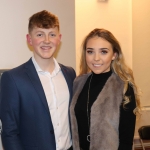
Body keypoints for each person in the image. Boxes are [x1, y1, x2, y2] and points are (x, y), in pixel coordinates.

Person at [0, 10, 75, 150]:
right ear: (29, 39)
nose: (47, 40)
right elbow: (9, 133)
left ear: (59, 38)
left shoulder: (69, 73)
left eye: (52, 34)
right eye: (40, 34)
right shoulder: (13, 79)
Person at [70, 28, 140, 150]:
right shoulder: (78, 83)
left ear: (114, 55)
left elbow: (126, 141)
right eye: (90, 52)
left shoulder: (123, 87)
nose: (96, 58)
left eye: (103, 52)